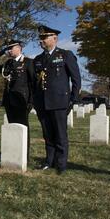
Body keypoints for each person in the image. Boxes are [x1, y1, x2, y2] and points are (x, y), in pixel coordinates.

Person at [33, 25, 81, 174]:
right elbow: (36, 82)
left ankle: (61, 164)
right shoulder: (38, 59)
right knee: (47, 135)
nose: (41, 41)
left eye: (44, 37)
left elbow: (76, 80)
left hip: (60, 102)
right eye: (40, 38)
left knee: (60, 135)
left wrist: (73, 100)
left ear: (54, 38)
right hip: (43, 103)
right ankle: (49, 161)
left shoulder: (65, 55)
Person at [0, 39, 35, 157]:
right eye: (7, 48)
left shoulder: (28, 62)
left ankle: (24, 154)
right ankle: (14, 152)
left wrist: (31, 101)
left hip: (22, 100)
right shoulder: (7, 63)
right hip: (9, 100)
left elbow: (33, 83)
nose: (9, 50)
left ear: (19, 48)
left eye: (11, 48)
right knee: (12, 127)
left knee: (23, 127)